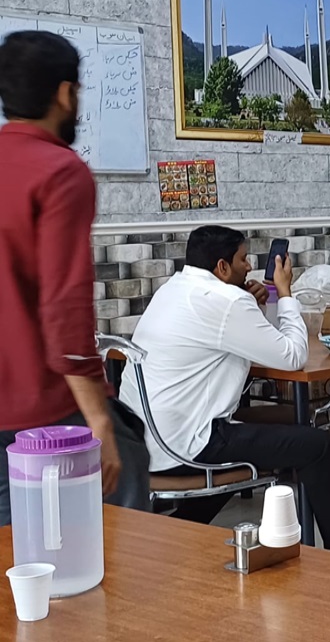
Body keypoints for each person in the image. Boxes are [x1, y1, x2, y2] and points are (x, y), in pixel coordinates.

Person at [117, 226, 330, 557]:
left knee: (287, 423)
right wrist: (285, 293)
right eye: (243, 259)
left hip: (144, 443)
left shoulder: (173, 290)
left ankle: (183, 527)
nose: (249, 266)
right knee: (317, 445)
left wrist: (252, 306)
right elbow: (293, 356)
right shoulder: (228, 301)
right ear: (222, 267)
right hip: (187, 445)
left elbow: (239, 340)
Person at [0, 31, 151, 525]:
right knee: (125, 495)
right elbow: (64, 313)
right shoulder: (60, 173)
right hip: (41, 411)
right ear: (65, 93)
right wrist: (99, 422)